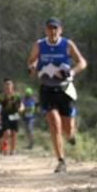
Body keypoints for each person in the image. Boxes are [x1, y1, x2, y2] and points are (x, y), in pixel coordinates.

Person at [27, 17, 88, 173]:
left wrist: (72, 72)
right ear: (46, 30)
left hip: (64, 89)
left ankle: (71, 133)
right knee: (55, 123)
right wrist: (33, 67)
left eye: (55, 28)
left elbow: (82, 62)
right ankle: (61, 161)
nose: (53, 31)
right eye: (50, 28)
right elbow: (31, 61)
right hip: (47, 89)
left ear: (60, 30)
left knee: (67, 130)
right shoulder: (39, 45)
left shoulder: (67, 44)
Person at [0, 79, 23, 155]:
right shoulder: (1, 96)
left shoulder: (16, 95)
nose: (8, 86)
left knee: (14, 133)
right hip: (5, 115)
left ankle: (13, 150)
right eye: (6, 84)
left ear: (12, 86)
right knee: (7, 133)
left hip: (14, 115)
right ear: (4, 86)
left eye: (9, 84)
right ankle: (5, 149)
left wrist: (21, 109)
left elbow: (21, 104)